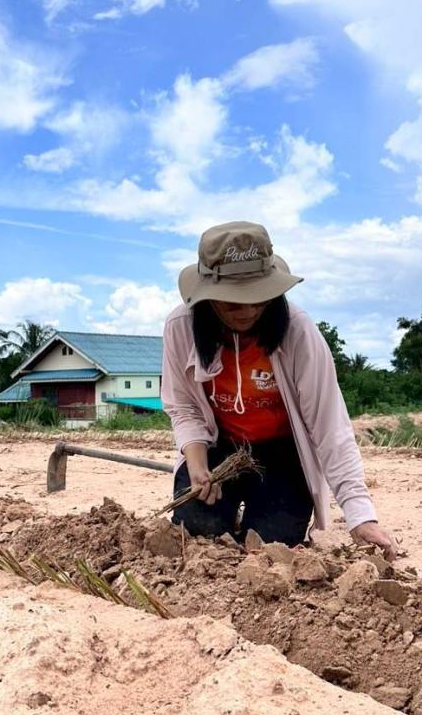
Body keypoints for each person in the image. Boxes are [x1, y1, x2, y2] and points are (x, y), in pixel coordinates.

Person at [162, 221, 398, 559]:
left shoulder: (298, 332)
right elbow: (183, 406)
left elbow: (330, 428)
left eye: (258, 299)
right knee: (198, 532)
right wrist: (197, 465)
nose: (248, 311)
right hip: (219, 449)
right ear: (207, 296)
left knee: (274, 546)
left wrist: (361, 517)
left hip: (282, 454)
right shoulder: (180, 327)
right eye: (232, 302)